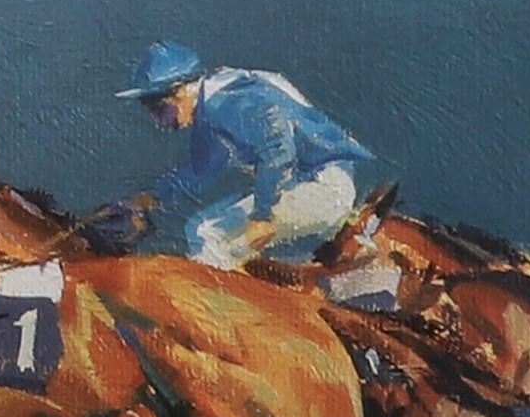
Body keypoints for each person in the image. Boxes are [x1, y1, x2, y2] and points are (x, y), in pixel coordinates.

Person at [114, 43, 372, 269]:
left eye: (159, 111)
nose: (159, 121)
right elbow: (199, 171)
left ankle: (223, 308)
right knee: (201, 229)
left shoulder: (229, 103)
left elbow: (278, 152)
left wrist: (262, 216)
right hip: (308, 185)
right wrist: (148, 200)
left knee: (208, 234)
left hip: (324, 188)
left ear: (180, 91)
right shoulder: (214, 106)